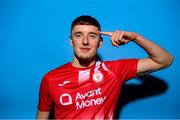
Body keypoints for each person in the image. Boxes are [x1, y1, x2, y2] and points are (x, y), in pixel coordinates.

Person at [36, 15, 173, 119]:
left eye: (92, 36)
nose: (85, 41)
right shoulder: (51, 79)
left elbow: (165, 60)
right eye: (78, 35)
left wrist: (135, 37)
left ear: (100, 43)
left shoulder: (114, 71)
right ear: (71, 41)